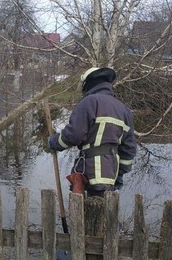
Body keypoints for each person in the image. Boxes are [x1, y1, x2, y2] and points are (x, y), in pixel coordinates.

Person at [48, 67, 137, 197]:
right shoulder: (124, 110)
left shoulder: (88, 102)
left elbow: (74, 135)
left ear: (86, 83)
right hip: (110, 176)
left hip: (89, 174)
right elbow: (129, 149)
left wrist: (54, 142)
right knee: (103, 214)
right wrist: (120, 174)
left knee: (84, 214)